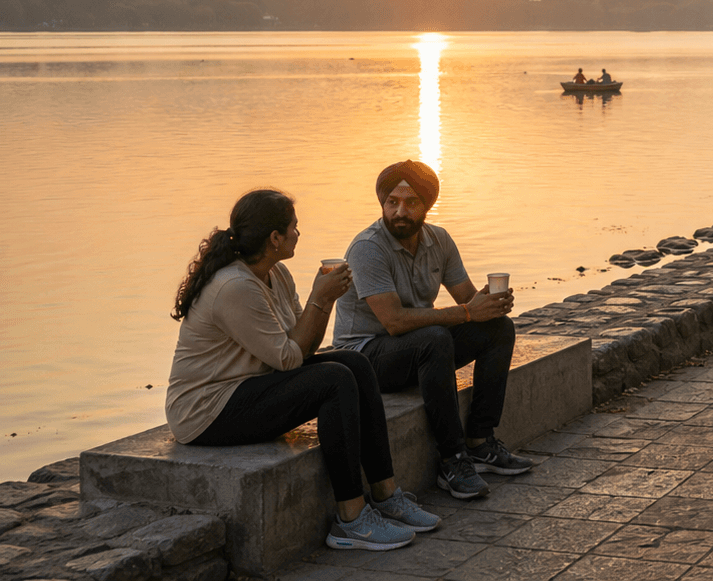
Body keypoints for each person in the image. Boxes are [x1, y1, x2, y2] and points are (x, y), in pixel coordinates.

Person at [167, 190, 438, 551]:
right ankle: (351, 520)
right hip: (206, 410)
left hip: (251, 384)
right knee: (333, 379)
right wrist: (321, 298)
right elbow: (289, 358)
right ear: (274, 238)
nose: (299, 233)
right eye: (294, 228)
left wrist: (324, 301)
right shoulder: (234, 287)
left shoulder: (276, 274)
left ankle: (386, 494)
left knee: (353, 363)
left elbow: (302, 344)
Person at [334, 161, 533, 501]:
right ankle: (451, 460)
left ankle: (480, 442)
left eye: (411, 202)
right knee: (436, 337)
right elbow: (394, 322)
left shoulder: (438, 240)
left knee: (499, 329)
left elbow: (467, 301)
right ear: (382, 203)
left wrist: (489, 304)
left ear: (427, 205)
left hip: (416, 349)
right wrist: (468, 312)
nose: (400, 211)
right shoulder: (367, 247)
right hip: (366, 358)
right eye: (392, 202)